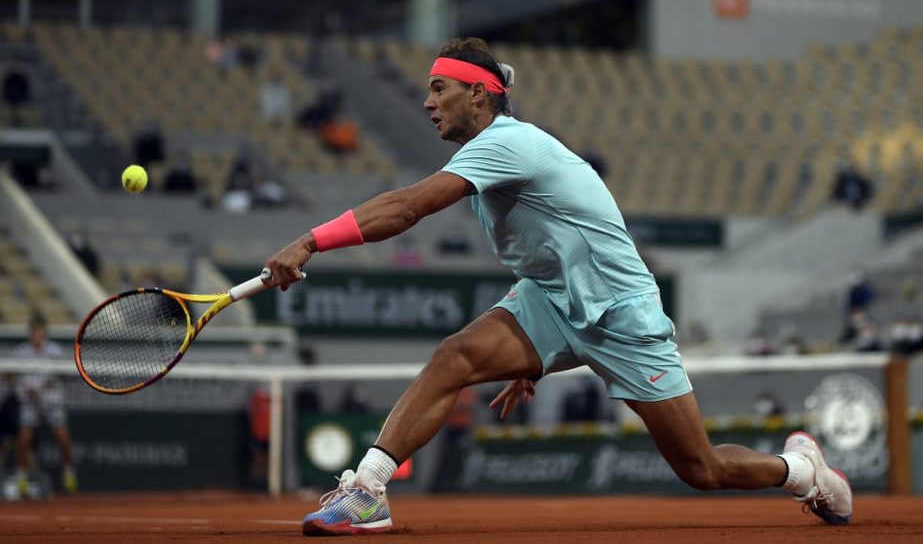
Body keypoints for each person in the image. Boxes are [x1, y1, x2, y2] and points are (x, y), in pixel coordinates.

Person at [263, 38, 852, 536]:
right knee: (456, 356)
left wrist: (311, 241)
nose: (427, 101)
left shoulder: (506, 143)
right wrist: (530, 357)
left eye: (440, 88)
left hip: (621, 314)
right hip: (549, 301)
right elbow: (547, 249)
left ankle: (799, 470)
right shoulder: (486, 154)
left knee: (701, 469)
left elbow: (406, 207)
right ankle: (368, 489)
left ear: (479, 93)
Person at [13, 314, 77, 496]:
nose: (37, 337)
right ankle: (21, 478)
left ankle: (69, 473)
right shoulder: (21, 352)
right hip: (30, 402)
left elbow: (65, 373)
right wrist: (22, 387)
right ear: (30, 334)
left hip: (51, 400)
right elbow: (9, 373)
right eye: (34, 334)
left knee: (63, 438)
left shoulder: (55, 351)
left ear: (44, 334)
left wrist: (44, 386)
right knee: (24, 439)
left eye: (40, 334)